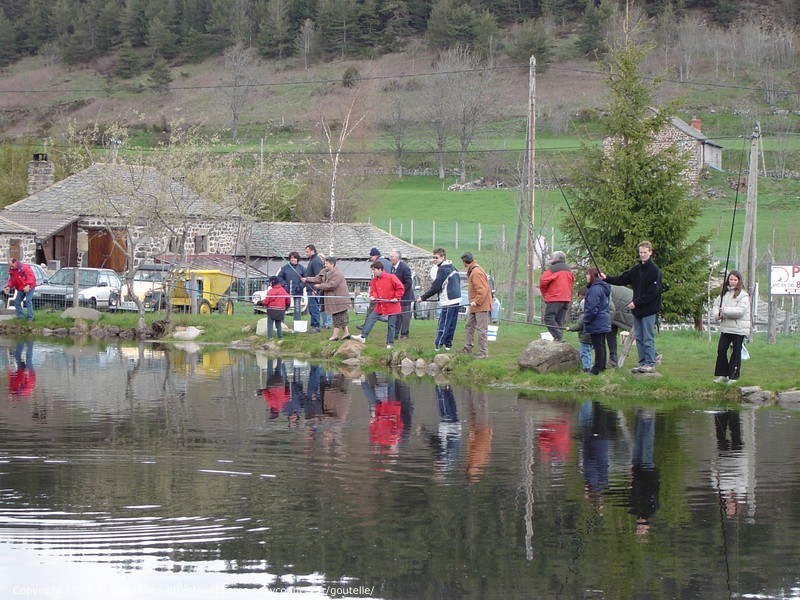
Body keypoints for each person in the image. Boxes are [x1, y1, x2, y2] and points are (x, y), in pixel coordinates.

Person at [601, 241, 662, 374]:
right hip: (638, 311)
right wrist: (606, 279)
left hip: (649, 310)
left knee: (647, 337)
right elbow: (621, 279)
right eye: (641, 252)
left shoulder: (654, 271)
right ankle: (642, 363)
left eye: (645, 252)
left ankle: (650, 363)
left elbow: (653, 292)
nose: (643, 255)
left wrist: (636, 302)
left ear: (650, 252)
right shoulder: (636, 270)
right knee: (639, 337)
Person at [351, 261, 404, 349]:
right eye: (372, 270)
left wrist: (396, 297)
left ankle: (389, 344)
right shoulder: (374, 280)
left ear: (380, 269)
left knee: (391, 325)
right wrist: (373, 296)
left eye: (374, 270)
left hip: (393, 305)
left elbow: (400, 288)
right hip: (380, 305)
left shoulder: (391, 277)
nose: (373, 272)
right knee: (371, 318)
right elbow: (373, 291)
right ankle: (363, 336)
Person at [418, 248, 460, 352]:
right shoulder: (452, 267)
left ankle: (438, 345)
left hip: (448, 300)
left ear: (443, 257)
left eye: (436, 258)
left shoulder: (443, 269)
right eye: (434, 257)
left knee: (444, 323)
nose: (434, 260)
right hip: (456, 299)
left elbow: (436, 287)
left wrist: (423, 297)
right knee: (451, 324)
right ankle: (448, 345)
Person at [713, 270, 751, 384]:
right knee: (721, 350)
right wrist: (717, 314)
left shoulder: (743, 295)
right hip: (726, 328)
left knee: (736, 352)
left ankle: (733, 376)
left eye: (735, 280)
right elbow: (716, 305)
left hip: (739, 329)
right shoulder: (724, 294)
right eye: (731, 279)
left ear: (739, 281)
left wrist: (723, 311)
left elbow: (740, 311)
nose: (733, 282)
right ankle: (722, 375)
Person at [302, 256, 352, 341]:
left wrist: (320, 286)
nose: (325, 265)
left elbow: (332, 285)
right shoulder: (324, 271)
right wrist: (306, 279)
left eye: (327, 264)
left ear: (332, 264)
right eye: (324, 263)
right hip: (333, 299)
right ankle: (346, 333)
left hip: (339, 299)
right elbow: (317, 278)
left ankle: (335, 336)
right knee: (341, 317)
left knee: (338, 316)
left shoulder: (337, 273)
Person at [460, 252, 491, 359]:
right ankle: (468, 347)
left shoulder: (476, 272)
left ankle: (483, 353)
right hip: (474, 306)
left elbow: (482, 289)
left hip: (481, 305)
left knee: (482, 330)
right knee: (469, 326)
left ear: (464, 262)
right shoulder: (473, 271)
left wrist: (476, 301)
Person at [539, 251, 574, 342]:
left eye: (552, 257)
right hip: (566, 298)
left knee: (548, 318)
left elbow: (543, 281)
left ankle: (558, 336)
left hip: (555, 297)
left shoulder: (552, 269)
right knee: (559, 320)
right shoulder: (569, 270)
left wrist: (545, 294)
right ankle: (559, 338)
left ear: (556, 259)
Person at [584, 268, 612, 375]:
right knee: (601, 344)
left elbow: (592, 307)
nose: (586, 277)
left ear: (592, 276)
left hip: (597, 320)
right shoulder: (602, 288)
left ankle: (597, 369)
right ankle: (602, 366)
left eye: (587, 274)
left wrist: (586, 319)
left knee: (598, 345)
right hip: (603, 319)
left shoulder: (594, 290)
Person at [388, 249, 415, 340]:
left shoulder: (404, 268)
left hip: (405, 296)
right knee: (397, 315)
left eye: (392, 256)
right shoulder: (392, 268)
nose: (390, 258)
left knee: (405, 316)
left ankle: (404, 334)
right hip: (397, 296)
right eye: (390, 256)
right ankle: (395, 334)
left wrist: (401, 291)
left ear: (397, 257)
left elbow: (409, 282)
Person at [565, 287, 593, 373]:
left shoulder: (583, 316)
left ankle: (586, 368)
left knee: (584, 353)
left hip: (585, 338)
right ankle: (589, 365)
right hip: (592, 338)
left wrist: (570, 328)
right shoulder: (594, 315)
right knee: (588, 352)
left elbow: (578, 326)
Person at [607, 284, 634, 368]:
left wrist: (607, 323)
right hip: (621, 309)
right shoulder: (608, 286)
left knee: (639, 334)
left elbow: (610, 308)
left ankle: (652, 356)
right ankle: (613, 359)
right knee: (610, 333)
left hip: (629, 309)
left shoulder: (605, 289)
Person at [4, 257, 37, 321]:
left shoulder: (25, 267)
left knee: (28, 300)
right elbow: (12, 280)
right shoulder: (12, 271)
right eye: (10, 266)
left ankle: (30, 318)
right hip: (21, 287)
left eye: (11, 266)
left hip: (29, 286)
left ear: (15, 263)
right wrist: (8, 287)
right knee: (17, 302)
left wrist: (28, 285)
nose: (11, 267)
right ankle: (20, 317)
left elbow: (31, 277)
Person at [276, 251, 305, 322]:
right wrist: (284, 285)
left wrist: (300, 286)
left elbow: (305, 279)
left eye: (295, 258)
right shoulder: (284, 268)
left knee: (297, 307)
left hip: (298, 291)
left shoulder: (302, 268)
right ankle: (281, 323)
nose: (293, 259)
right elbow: (279, 277)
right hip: (286, 291)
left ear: (297, 259)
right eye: (292, 258)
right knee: (283, 307)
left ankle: (297, 323)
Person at [303, 245, 324, 332]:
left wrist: (315, 289)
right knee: (312, 308)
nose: (306, 254)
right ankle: (313, 325)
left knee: (314, 307)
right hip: (310, 288)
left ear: (312, 251)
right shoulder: (313, 260)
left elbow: (318, 276)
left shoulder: (316, 261)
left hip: (313, 289)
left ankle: (316, 326)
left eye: (307, 251)